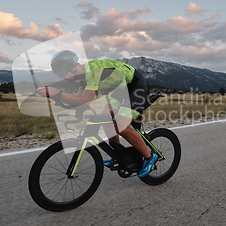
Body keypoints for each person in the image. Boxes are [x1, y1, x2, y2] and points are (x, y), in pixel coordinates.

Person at [37, 50, 158, 178]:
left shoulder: (92, 70)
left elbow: (85, 99)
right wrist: (57, 98)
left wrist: (58, 92)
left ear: (72, 67)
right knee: (105, 118)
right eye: (57, 74)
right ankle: (118, 155)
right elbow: (80, 102)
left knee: (121, 126)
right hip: (122, 89)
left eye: (61, 71)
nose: (61, 76)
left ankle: (149, 156)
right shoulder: (81, 78)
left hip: (136, 86)